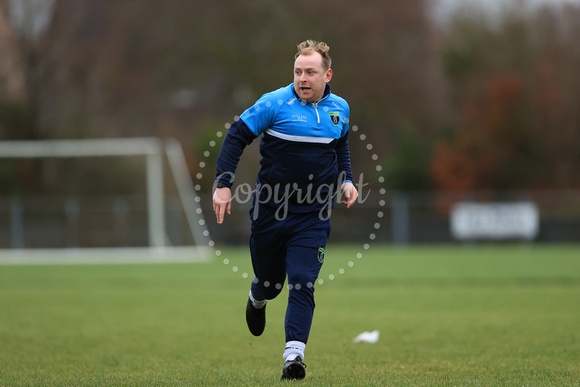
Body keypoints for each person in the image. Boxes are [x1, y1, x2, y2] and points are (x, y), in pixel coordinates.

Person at [212, 39, 358, 381]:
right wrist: (223, 184)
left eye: (310, 72)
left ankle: (294, 356)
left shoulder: (340, 108)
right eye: (297, 71)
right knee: (271, 284)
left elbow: (341, 146)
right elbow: (236, 136)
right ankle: (257, 296)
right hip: (270, 211)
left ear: (327, 74)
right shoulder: (274, 104)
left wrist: (347, 179)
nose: (302, 78)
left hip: (314, 215)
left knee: (303, 283)